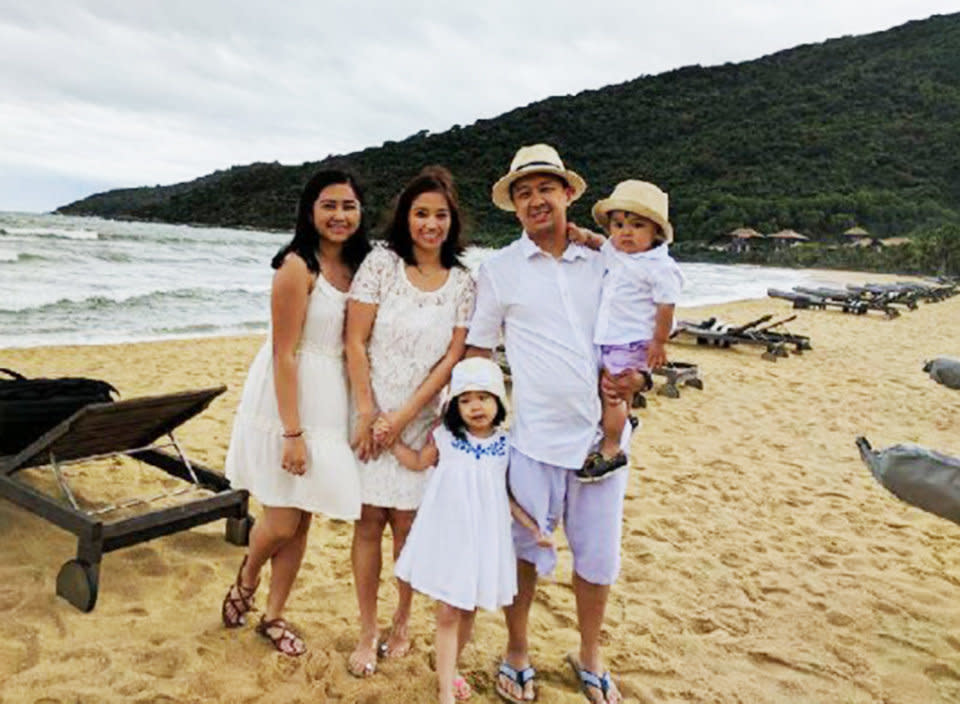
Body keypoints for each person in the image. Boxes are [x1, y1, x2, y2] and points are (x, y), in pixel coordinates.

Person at [467, 144, 646, 704]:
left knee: (597, 559)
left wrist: (637, 378)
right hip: (532, 441)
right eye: (523, 192)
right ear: (514, 207)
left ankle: (590, 656)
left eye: (546, 188)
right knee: (523, 554)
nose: (535, 199)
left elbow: (643, 324)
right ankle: (517, 651)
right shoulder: (498, 271)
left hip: (602, 444)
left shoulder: (609, 261)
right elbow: (478, 350)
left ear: (568, 193)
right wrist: (476, 420)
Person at [220, 169, 371, 656]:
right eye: (328, 205)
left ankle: (274, 614)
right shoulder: (295, 266)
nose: (339, 215)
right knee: (282, 520)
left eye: (348, 205)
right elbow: (285, 353)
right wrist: (292, 432)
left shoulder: (362, 265)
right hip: (289, 400)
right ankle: (247, 575)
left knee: (302, 519)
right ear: (310, 211)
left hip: (333, 402)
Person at [344, 166, 476, 677]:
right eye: (421, 213)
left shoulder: (464, 282)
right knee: (368, 523)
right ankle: (366, 629)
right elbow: (355, 341)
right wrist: (369, 413)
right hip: (368, 412)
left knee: (407, 527)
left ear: (452, 221)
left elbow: (450, 360)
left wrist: (402, 419)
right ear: (406, 217)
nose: (430, 224)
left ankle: (401, 621)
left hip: (419, 417)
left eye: (440, 215)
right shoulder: (380, 265)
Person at [392, 357, 550, 704]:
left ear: (499, 401)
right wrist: (389, 440)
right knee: (448, 610)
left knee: (467, 610)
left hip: (483, 538)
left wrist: (533, 527)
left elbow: (505, 496)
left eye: (484, 397)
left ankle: (451, 667)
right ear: (454, 406)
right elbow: (419, 462)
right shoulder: (445, 437)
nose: (475, 406)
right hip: (449, 534)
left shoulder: (506, 446)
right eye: (465, 399)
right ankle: (445, 689)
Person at [568, 180, 684, 482]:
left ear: (655, 231)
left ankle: (611, 449)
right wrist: (582, 236)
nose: (625, 232)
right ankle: (624, 421)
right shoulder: (616, 251)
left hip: (631, 341)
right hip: (610, 338)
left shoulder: (659, 267)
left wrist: (658, 343)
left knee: (612, 393)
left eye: (636, 225)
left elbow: (665, 307)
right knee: (608, 389)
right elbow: (598, 242)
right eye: (618, 224)